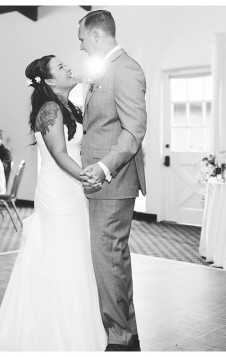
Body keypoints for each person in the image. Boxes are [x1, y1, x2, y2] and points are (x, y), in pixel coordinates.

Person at [0, 55, 106, 351]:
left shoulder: (70, 107)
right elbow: (58, 153)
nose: (68, 67)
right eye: (60, 67)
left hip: (72, 192)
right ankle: (56, 334)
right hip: (58, 193)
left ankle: (76, 327)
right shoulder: (50, 109)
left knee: (75, 254)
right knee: (62, 256)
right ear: (49, 81)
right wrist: (86, 177)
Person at [78, 10, 147, 352]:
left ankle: (119, 339)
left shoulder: (126, 69)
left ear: (95, 35)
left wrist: (104, 167)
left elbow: (134, 131)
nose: (80, 46)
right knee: (115, 258)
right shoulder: (105, 70)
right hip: (105, 183)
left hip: (112, 182)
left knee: (107, 258)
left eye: (81, 39)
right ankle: (127, 332)